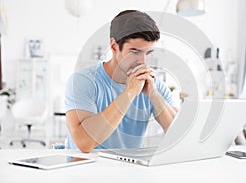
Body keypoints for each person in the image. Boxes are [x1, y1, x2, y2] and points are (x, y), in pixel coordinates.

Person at [65, 10, 178, 153]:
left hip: (128, 170)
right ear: (114, 46)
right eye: (135, 52)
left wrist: (154, 95)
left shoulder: (154, 85)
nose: (143, 62)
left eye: (148, 53)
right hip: (83, 168)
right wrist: (129, 93)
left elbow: (179, 137)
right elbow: (84, 143)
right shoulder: (83, 82)